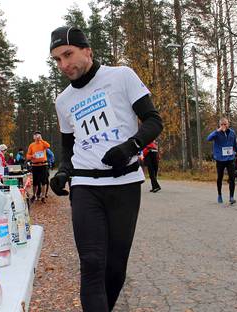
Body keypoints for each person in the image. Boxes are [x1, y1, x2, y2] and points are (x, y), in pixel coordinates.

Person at [48, 26, 163, 311]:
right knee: (91, 263)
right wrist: (64, 170)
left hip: (124, 184)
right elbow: (68, 146)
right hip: (86, 186)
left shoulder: (121, 76)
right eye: (57, 60)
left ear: (87, 50)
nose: (64, 65)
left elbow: (153, 120)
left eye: (68, 55)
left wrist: (130, 147)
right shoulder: (63, 101)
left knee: (114, 269)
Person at [207, 117, 237, 204]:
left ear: (228, 124)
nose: (224, 126)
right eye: (222, 124)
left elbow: (234, 144)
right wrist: (217, 131)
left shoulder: (232, 133)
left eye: (225, 124)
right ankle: (219, 195)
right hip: (220, 159)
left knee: (232, 178)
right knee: (220, 178)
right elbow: (208, 138)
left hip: (230, 158)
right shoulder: (216, 133)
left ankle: (231, 197)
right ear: (219, 125)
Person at [27, 131, 50, 203]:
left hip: (43, 165)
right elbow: (27, 156)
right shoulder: (31, 145)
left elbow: (48, 146)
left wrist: (41, 140)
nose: (37, 136)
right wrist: (31, 156)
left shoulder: (43, 143)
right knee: (35, 182)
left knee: (44, 182)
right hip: (35, 165)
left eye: (38, 135)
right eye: (35, 135)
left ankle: (43, 196)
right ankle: (34, 195)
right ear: (33, 137)